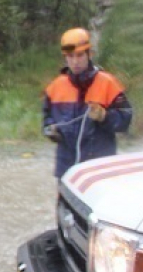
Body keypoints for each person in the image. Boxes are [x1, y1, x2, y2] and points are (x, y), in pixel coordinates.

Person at [42, 27, 133, 179]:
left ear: (89, 54)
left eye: (79, 55)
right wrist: (49, 129)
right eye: (70, 56)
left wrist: (105, 116)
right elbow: (47, 116)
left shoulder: (108, 83)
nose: (75, 61)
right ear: (65, 57)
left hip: (100, 168)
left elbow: (126, 119)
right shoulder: (55, 87)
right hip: (67, 168)